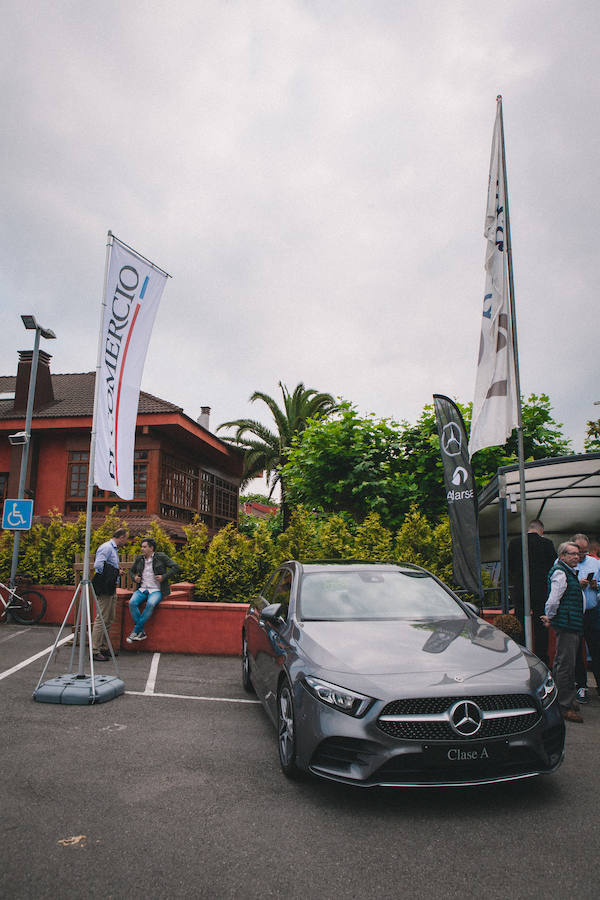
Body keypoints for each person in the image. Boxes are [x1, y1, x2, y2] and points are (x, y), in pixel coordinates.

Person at [541, 542, 585, 723]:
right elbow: (553, 600)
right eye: (572, 554)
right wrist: (550, 616)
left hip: (570, 622)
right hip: (567, 623)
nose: (577, 557)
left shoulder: (566, 571)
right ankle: (564, 705)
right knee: (565, 664)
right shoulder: (560, 572)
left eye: (578, 554)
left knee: (564, 662)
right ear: (563, 555)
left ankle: (567, 699)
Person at [507, 519, 556, 663]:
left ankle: (522, 658)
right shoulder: (547, 544)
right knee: (541, 627)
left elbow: (510, 566)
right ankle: (542, 660)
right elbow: (552, 568)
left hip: (521, 589)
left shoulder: (515, 543)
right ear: (541, 531)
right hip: (541, 590)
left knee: (519, 624)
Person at [127, 538, 180, 643]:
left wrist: (164, 577)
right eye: (141, 547)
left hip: (156, 590)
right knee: (132, 603)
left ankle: (135, 631)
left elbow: (176, 567)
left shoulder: (161, 557)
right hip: (142, 589)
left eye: (144, 547)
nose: (142, 549)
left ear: (151, 548)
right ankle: (141, 632)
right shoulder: (139, 559)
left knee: (150, 604)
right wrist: (135, 578)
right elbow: (131, 571)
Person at [91, 528, 129, 662]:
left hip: (111, 586)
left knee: (109, 618)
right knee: (101, 618)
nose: (126, 541)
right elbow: (98, 566)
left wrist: (115, 571)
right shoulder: (106, 548)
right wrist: (115, 572)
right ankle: (95, 650)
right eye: (126, 538)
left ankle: (102, 646)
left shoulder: (113, 549)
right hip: (104, 586)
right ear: (121, 537)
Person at [570, 534, 600, 704]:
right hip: (575, 613)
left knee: (596, 649)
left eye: (584, 551)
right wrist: (577, 585)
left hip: (592, 611)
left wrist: (597, 585)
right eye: (578, 551)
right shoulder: (564, 564)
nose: (581, 555)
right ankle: (581, 686)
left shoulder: (595, 563)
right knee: (576, 651)